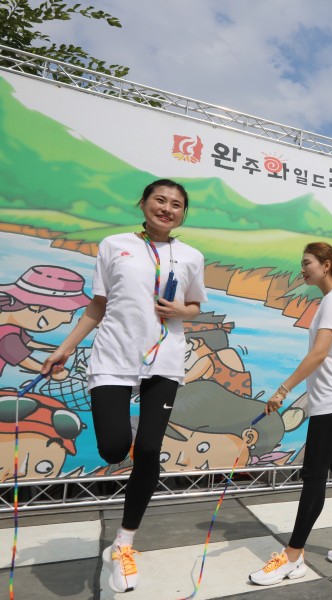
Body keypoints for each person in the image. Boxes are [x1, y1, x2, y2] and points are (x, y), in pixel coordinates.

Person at [41, 179, 207, 593]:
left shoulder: (190, 256)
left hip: (164, 361)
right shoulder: (114, 245)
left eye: (176, 204)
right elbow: (97, 305)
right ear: (144, 203)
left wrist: (180, 310)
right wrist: (65, 348)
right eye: (160, 200)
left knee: (148, 450)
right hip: (113, 358)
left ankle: (124, 542)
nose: (167, 209)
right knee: (114, 449)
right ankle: (130, 429)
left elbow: (195, 306)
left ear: (183, 213)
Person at [249, 242, 332, 586]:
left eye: (307, 263)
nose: (302, 269)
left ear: (326, 264)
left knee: (315, 477)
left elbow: (319, 353)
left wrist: (283, 389)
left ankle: (292, 557)